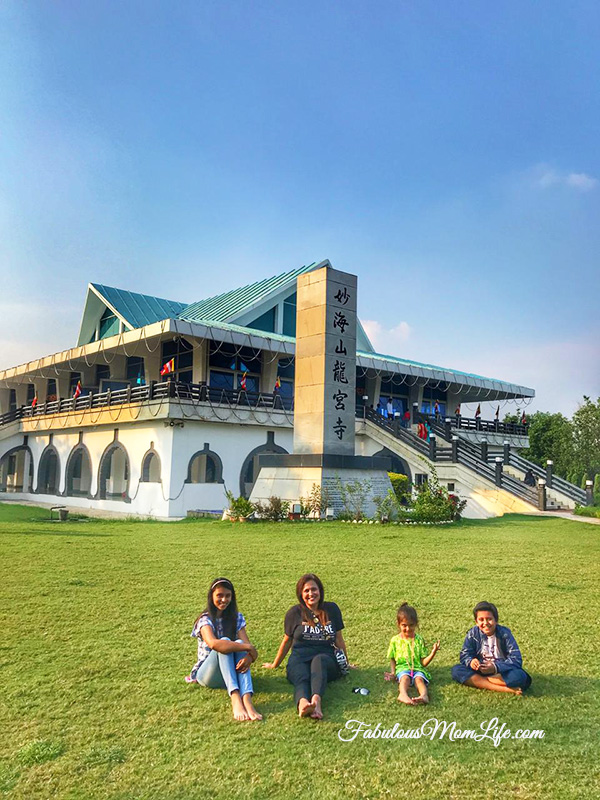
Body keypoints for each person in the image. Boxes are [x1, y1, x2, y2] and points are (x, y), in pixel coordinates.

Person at [263, 573, 351, 720]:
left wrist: (346, 663)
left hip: (326, 659)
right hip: (300, 658)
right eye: (306, 591)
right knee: (301, 677)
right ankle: (303, 703)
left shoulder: (332, 609)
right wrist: (275, 664)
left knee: (319, 661)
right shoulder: (294, 613)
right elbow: (287, 641)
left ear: (320, 591)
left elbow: (339, 640)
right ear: (300, 594)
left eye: (314, 590)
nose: (311, 594)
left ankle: (316, 702)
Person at [186, 577, 262, 721]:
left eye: (228, 596)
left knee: (237, 642)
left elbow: (251, 652)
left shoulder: (236, 617)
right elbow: (214, 644)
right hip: (207, 675)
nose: (224, 600)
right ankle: (235, 698)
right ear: (211, 597)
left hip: (230, 673)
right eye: (219, 595)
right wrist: (248, 648)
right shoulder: (204, 619)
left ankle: (247, 699)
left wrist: (248, 656)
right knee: (225, 643)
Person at [451, 601, 531, 695]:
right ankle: (504, 689)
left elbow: (516, 659)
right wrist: (471, 661)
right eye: (481, 619)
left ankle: (479, 681)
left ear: (496, 620)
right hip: (480, 670)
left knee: (520, 676)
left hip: (501, 673)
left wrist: (495, 667)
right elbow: (464, 654)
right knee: (456, 670)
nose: (485, 623)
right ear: (476, 622)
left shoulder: (505, 634)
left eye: (489, 619)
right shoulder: (473, 633)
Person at [384, 603, 440, 705]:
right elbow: (392, 658)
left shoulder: (419, 640)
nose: (408, 629)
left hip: (417, 668)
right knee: (404, 679)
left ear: (416, 624)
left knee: (419, 680)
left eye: (411, 625)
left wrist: (433, 653)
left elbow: (423, 663)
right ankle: (403, 694)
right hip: (403, 668)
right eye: (404, 625)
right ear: (398, 624)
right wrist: (393, 672)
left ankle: (424, 695)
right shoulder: (395, 640)